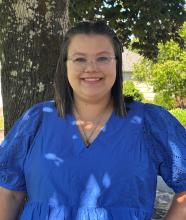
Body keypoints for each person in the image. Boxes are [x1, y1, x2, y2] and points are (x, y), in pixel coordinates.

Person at [0, 20, 185, 220]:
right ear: (65, 65)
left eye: (103, 58)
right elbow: (8, 193)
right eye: (80, 59)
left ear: (117, 63)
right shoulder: (35, 121)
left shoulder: (150, 122)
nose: (91, 68)